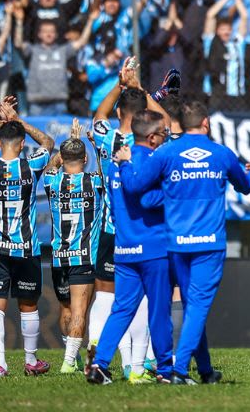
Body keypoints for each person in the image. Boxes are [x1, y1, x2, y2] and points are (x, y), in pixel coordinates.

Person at [125, 98, 250, 384]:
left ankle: (206, 370)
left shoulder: (166, 153)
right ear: (206, 123)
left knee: (192, 306)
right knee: (197, 307)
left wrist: (127, 162)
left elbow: (138, 187)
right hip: (208, 244)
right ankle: (178, 369)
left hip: (176, 244)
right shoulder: (222, 153)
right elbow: (247, 186)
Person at [86, 110, 175, 385]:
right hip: (153, 249)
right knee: (159, 311)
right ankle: (165, 371)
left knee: (121, 309)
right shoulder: (151, 162)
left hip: (124, 249)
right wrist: (175, 193)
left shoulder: (115, 162)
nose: (166, 137)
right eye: (163, 133)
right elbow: (148, 200)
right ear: (151, 137)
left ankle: (99, 365)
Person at [87, 58, 161, 368]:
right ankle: (141, 359)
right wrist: (140, 89)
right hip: (141, 227)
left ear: (120, 113)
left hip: (108, 224)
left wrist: (120, 84)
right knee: (140, 295)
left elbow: (98, 115)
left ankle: (94, 342)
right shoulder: (149, 141)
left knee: (105, 291)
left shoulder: (107, 137)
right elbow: (166, 123)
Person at [0, 102, 57, 377]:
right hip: (26, 247)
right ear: (22, 144)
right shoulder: (30, 166)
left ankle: (0, 364)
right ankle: (31, 361)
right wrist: (17, 119)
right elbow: (48, 140)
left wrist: (1, 123)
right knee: (28, 304)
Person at [44, 121, 101, 374]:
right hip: (84, 255)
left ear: (63, 157)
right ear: (85, 158)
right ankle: (69, 363)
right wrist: (90, 144)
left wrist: (68, 143)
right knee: (80, 310)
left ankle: (73, 357)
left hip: (59, 257)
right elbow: (105, 166)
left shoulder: (51, 183)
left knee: (66, 308)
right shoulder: (95, 183)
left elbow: (52, 166)